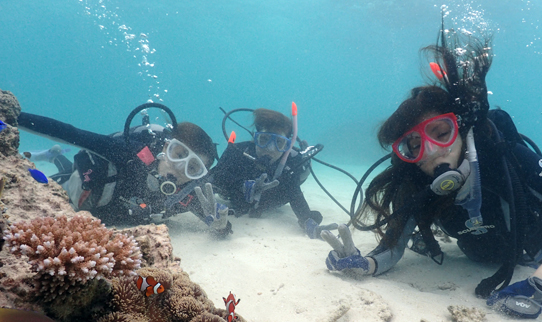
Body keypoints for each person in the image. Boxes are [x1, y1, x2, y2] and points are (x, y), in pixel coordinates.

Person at [322, 25, 542, 319]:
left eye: (441, 133)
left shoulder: (504, 156)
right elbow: (392, 247)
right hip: (479, 254)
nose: (432, 150)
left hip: (540, 243)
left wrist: (540, 282)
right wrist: (366, 264)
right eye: (415, 145)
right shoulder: (417, 183)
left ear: (460, 128)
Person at [17, 105, 232, 235]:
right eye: (178, 154)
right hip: (86, 192)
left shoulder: (189, 194)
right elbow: (71, 133)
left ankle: (54, 156)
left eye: (193, 168)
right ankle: (54, 156)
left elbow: (217, 224)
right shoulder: (127, 153)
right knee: (59, 182)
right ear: (166, 146)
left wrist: (220, 227)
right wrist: (12, 116)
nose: (179, 168)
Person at [207, 107, 336, 238]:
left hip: (271, 200)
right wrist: (241, 185)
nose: (270, 148)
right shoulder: (237, 152)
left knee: (290, 178)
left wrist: (307, 220)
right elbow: (214, 178)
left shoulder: (290, 162)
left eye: (279, 142)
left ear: (287, 145)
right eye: (264, 139)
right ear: (254, 138)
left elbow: (294, 191)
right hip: (236, 198)